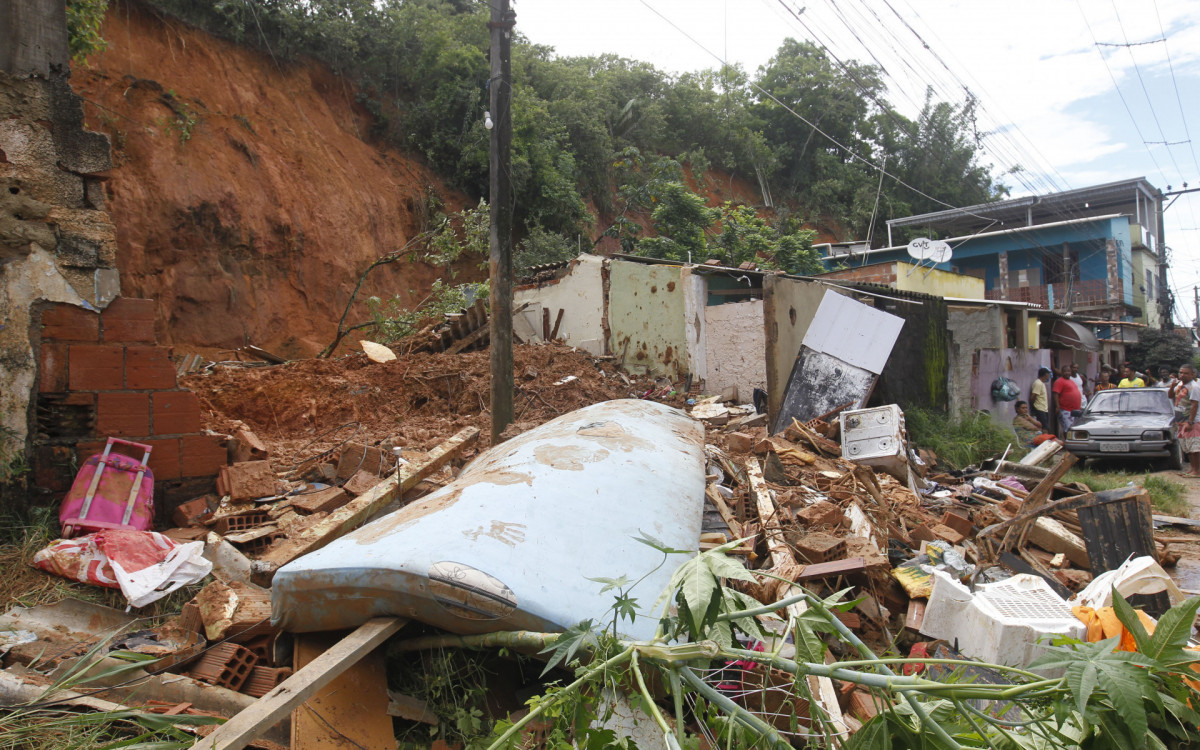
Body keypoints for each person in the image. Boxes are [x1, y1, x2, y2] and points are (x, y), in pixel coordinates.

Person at [1175, 364, 1200, 478]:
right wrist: (1172, 387)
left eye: (1186, 373)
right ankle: (1192, 469)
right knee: (1187, 448)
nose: (1182, 375)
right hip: (1181, 420)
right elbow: (1171, 396)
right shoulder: (1180, 385)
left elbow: (1194, 405)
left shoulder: (1194, 387)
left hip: (1192, 422)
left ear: (1192, 374)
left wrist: (1190, 422)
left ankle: (1197, 470)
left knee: (1194, 447)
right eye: (1181, 372)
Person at [1052, 364, 1082, 435]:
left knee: (1074, 430)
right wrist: (1057, 406)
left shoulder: (1071, 381)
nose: (1067, 373)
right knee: (1067, 430)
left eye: (1068, 371)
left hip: (1075, 411)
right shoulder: (1059, 381)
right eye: (1065, 371)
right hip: (1065, 410)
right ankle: (1067, 444)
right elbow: (1055, 393)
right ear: (1062, 372)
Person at [1031, 367, 1051, 432]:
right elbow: (1033, 396)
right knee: (1044, 427)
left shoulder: (1042, 383)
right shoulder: (1038, 383)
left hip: (1044, 408)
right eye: (1048, 374)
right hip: (1039, 408)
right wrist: (1033, 407)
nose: (1048, 377)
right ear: (1045, 375)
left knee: (1045, 426)